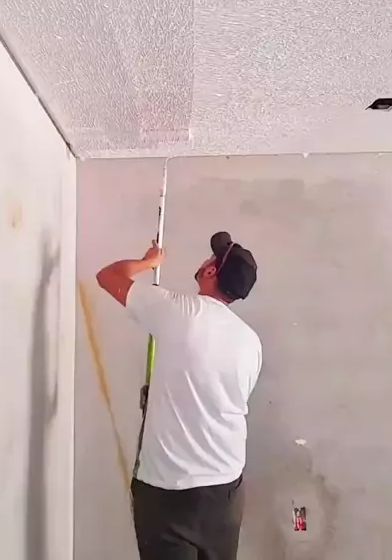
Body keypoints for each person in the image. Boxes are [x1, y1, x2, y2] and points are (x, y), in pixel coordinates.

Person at [96, 231, 262, 560]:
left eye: (212, 257)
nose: (206, 260)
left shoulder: (178, 310)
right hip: (225, 491)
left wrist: (149, 262)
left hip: (168, 492)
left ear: (212, 271)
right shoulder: (250, 342)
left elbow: (108, 276)